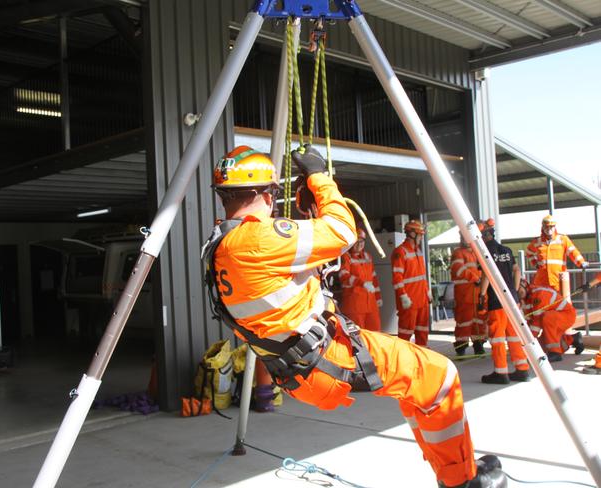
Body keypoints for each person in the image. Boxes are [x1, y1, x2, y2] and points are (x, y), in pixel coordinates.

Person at [202, 144, 507, 488]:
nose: (274, 202)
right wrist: (320, 177)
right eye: (272, 193)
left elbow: (282, 274)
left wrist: (309, 220)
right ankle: (461, 481)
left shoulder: (220, 245)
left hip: (300, 366)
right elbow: (343, 231)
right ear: (264, 194)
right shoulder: (260, 239)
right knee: (441, 377)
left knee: (418, 384)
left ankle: (453, 470)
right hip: (327, 357)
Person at [478, 219, 530, 384]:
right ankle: (522, 369)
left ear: (484, 236)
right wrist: (514, 291)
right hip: (512, 300)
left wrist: (482, 295)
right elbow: (517, 270)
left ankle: (501, 373)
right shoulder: (506, 250)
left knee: (497, 337)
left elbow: (487, 274)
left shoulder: (486, 252)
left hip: (497, 301)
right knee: (514, 336)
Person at [518, 279, 583, 363]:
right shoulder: (525, 300)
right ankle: (574, 339)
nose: (518, 293)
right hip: (555, 318)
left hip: (566, 315)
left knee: (547, 318)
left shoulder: (538, 294)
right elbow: (530, 321)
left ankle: (555, 353)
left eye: (519, 289)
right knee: (542, 347)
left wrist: (529, 341)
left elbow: (536, 323)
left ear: (524, 285)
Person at [391, 220, 431, 346]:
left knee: (423, 331)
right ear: (412, 234)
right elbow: (397, 277)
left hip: (422, 300)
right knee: (405, 333)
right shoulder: (400, 252)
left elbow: (422, 276)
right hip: (409, 302)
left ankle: (422, 359)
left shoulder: (417, 251)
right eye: (420, 235)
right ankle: (403, 360)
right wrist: (403, 296)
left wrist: (428, 291)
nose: (421, 238)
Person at [526, 215, 588, 290]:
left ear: (555, 227)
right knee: (543, 300)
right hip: (542, 280)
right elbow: (529, 252)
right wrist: (534, 263)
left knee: (561, 301)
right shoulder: (537, 242)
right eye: (546, 226)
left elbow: (573, 252)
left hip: (558, 280)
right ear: (542, 227)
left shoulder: (563, 239)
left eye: (551, 226)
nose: (549, 229)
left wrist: (581, 262)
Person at [338, 228, 382, 332]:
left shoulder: (368, 256)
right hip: (354, 305)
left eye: (362, 241)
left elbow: (374, 278)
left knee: (375, 333)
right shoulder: (345, 256)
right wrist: (362, 283)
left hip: (371, 303)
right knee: (358, 335)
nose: (359, 244)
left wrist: (378, 297)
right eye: (356, 242)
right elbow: (344, 276)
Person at [450, 233, 486, 356]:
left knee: (478, 321)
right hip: (464, 294)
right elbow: (458, 269)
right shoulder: (458, 253)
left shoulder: (476, 253)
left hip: (477, 294)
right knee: (464, 322)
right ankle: (461, 347)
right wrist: (475, 278)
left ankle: (478, 344)